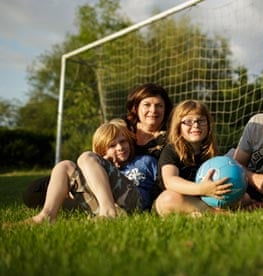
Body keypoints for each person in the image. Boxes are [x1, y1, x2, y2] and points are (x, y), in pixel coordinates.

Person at [22, 82, 173, 209]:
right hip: (104, 178)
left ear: (165, 109)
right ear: (136, 108)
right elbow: (98, 151)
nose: (153, 110)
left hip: (133, 187)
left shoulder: (168, 139)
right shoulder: (122, 126)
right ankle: (50, 211)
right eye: (147, 105)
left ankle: (105, 210)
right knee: (35, 191)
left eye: (159, 106)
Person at [24, 120, 158, 224]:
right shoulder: (99, 169)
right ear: (102, 150)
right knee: (64, 165)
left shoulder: (145, 161)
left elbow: (161, 186)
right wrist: (103, 164)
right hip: (102, 203)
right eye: (112, 145)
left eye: (123, 142)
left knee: (85, 157)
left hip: (135, 202)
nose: (120, 147)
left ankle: (108, 212)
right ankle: (46, 216)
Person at [154, 100, 233, 217]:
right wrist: (201, 189)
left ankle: (197, 214)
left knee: (243, 196)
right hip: (176, 200)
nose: (196, 125)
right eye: (188, 121)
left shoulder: (210, 152)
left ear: (208, 124)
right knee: (168, 199)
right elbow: (170, 181)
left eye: (201, 121)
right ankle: (217, 213)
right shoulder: (171, 150)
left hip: (202, 200)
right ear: (178, 126)